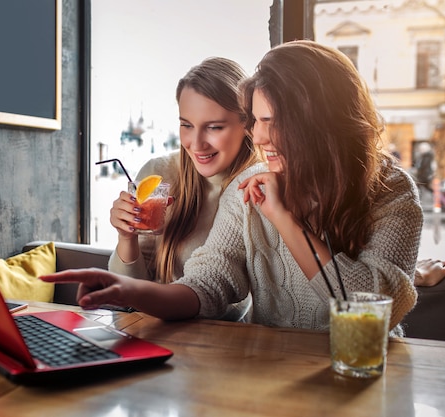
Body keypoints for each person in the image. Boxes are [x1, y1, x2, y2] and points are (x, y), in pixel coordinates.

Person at [41, 40, 422, 335]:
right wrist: (128, 289)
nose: (259, 136)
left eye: (271, 120)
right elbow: (208, 285)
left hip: (364, 363)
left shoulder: (392, 192)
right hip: (270, 366)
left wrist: (286, 221)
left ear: (318, 121)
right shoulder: (248, 187)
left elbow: (374, 308)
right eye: (256, 121)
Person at [107, 57, 260, 320]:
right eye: (186, 125)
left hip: (223, 339)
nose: (196, 144)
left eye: (214, 127)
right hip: (153, 328)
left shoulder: (257, 187)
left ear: (246, 124)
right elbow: (128, 296)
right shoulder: (159, 174)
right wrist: (126, 236)